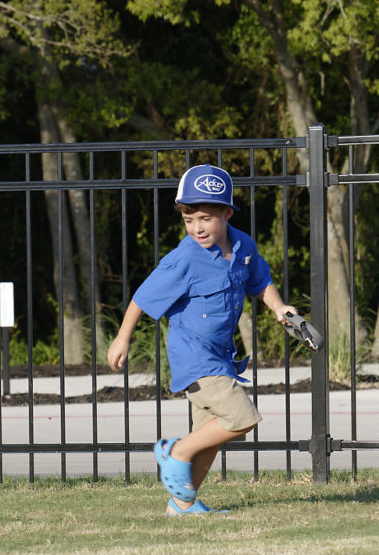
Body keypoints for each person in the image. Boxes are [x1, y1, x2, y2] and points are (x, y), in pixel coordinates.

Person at [106, 164, 299, 515]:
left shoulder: (243, 245)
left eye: (205, 219)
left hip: (221, 356)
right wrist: (122, 339)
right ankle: (173, 452)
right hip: (194, 358)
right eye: (188, 219)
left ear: (226, 213)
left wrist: (278, 306)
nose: (197, 228)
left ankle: (181, 505)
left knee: (207, 439)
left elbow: (259, 280)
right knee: (241, 419)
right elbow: (142, 298)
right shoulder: (183, 259)